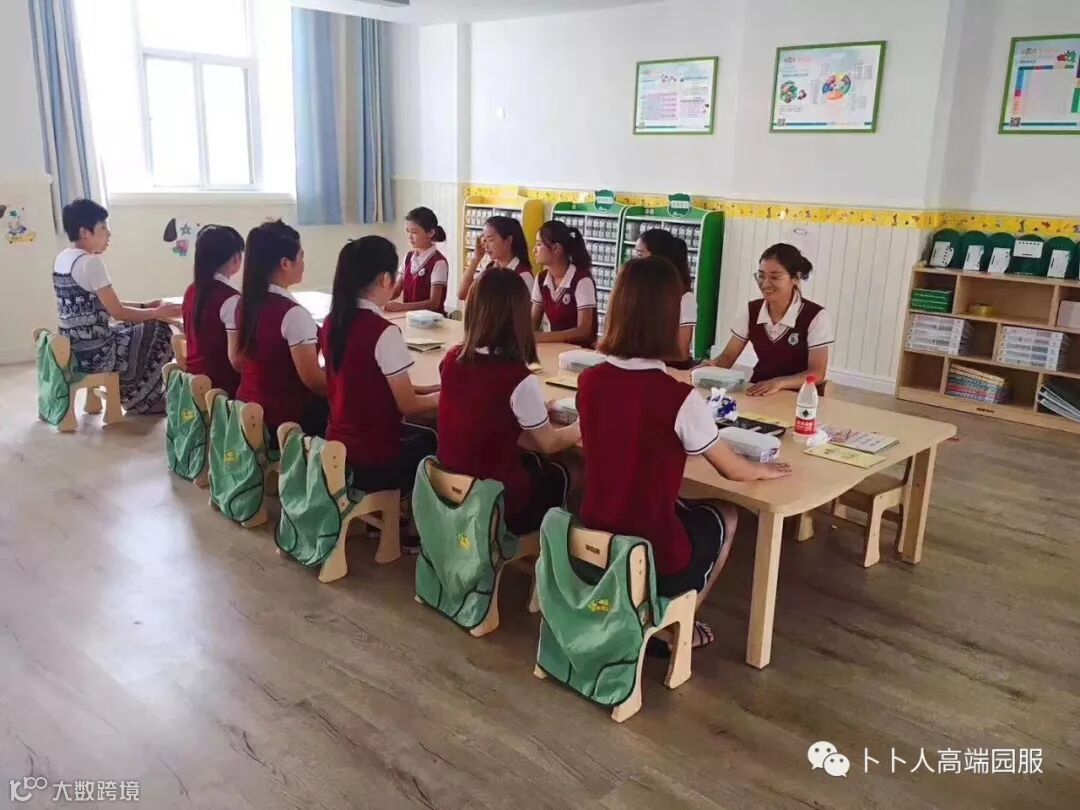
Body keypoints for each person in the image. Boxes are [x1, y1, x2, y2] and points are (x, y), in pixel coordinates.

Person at [577, 256, 791, 649]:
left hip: (592, 539)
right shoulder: (678, 397)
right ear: (668, 320)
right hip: (652, 551)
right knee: (725, 515)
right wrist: (765, 469)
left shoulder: (590, 380)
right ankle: (677, 627)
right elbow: (732, 471)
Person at [438, 269, 579, 535]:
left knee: (532, 460)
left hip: (452, 490)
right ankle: (552, 553)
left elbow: (488, 418)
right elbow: (549, 443)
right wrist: (583, 424)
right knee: (567, 471)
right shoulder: (517, 378)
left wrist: (534, 415)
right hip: (495, 502)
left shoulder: (452, 359)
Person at [322, 236, 440, 548]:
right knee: (430, 440)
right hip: (371, 457)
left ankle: (386, 515)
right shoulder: (384, 332)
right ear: (386, 279)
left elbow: (367, 381)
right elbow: (409, 406)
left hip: (338, 443)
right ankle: (411, 529)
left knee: (417, 434)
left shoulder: (334, 321)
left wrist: (430, 389)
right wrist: (444, 397)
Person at [53, 198, 178, 414]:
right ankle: (141, 399)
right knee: (160, 330)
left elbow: (102, 304)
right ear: (85, 232)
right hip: (96, 353)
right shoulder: (91, 262)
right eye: (103, 228)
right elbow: (118, 313)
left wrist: (144, 305)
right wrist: (156, 312)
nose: (109, 234)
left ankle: (129, 393)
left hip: (73, 347)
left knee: (138, 325)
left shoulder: (64, 258)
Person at [225, 220, 327, 437]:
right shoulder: (293, 314)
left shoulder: (242, 304)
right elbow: (313, 381)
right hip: (283, 422)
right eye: (301, 256)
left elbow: (238, 361)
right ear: (285, 263)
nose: (303, 262)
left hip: (247, 411)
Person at [706, 243, 833, 396]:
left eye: (775, 277)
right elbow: (727, 358)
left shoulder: (815, 316)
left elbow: (817, 373)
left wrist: (779, 383)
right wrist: (709, 367)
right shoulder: (752, 310)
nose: (765, 283)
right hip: (758, 390)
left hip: (799, 396)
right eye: (761, 276)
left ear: (795, 278)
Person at [181, 225, 244, 396]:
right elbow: (236, 361)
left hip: (194, 383)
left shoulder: (191, 290)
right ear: (236, 258)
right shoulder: (231, 299)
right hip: (222, 389)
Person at [634, 228, 696, 365]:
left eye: (639, 254)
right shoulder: (637, 290)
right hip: (636, 363)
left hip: (666, 367)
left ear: (658, 257)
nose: (634, 261)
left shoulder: (685, 298)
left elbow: (681, 353)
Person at [531, 220, 597, 347]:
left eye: (539, 244)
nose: (534, 250)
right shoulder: (541, 279)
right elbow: (533, 322)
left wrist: (542, 337)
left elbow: (583, 331)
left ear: (556, 248)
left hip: (580, 352)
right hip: (555, 349)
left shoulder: (581, 280)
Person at [386, 207, 449, 315]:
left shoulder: (439, 262)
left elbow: (434, 303)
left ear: (431, 233)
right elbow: (396, 290)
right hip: (411, 317)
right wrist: (376, 301)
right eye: (407, 231)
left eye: (414, 232)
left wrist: (403, 307)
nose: (410, 237)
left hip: (431, 320)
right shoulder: (408, 257)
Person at [459, 215, 534, 300]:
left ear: (508, 240)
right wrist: (476, 258)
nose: (486, 246)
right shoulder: (489, 268)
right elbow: (462, 294)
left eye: (491, 240)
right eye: (485, 241)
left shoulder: (523, 275)